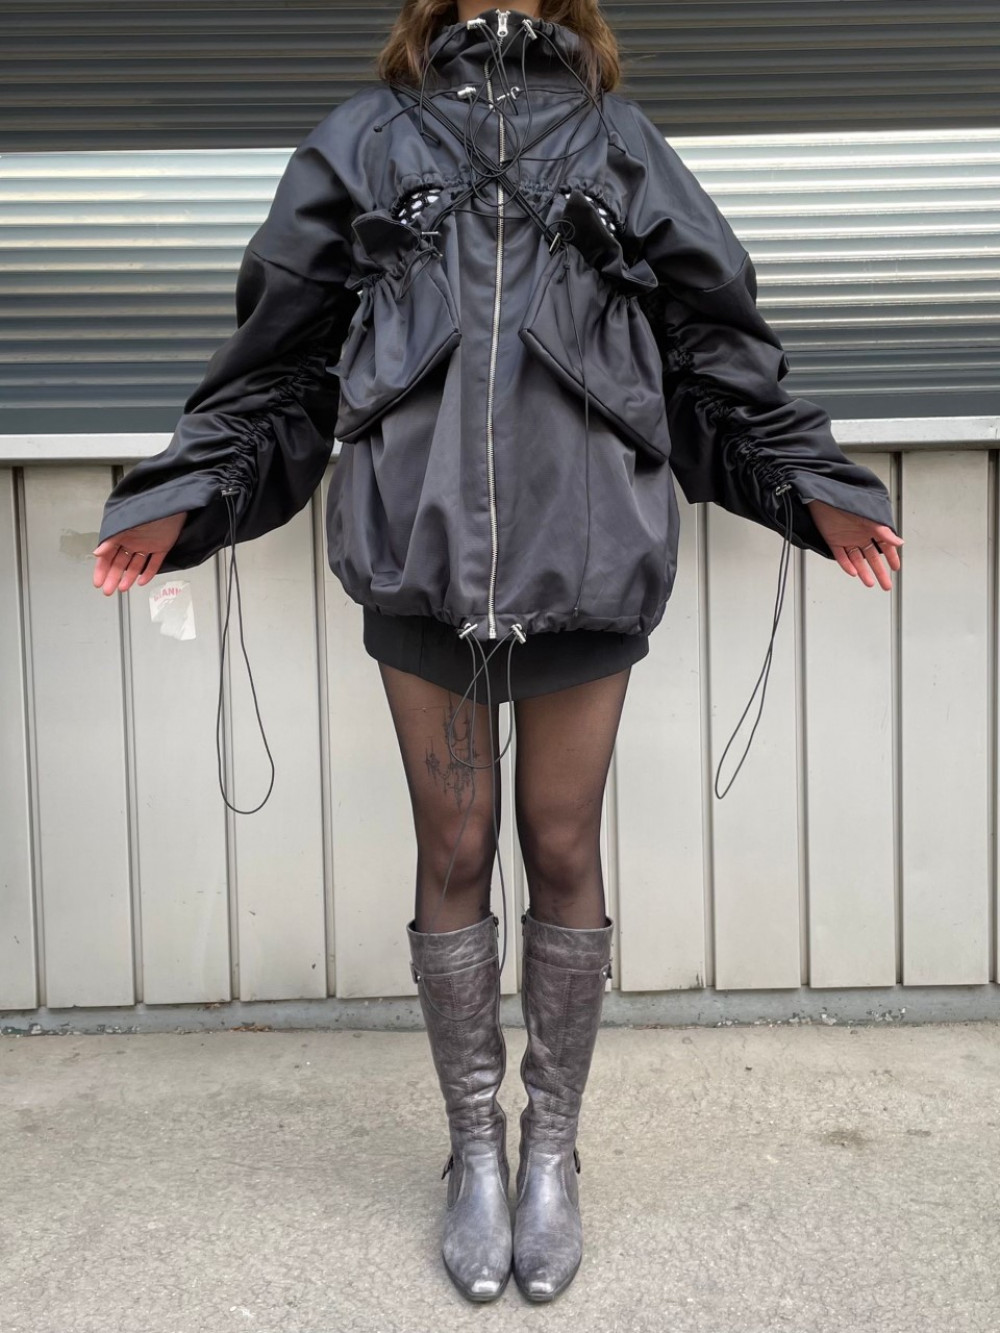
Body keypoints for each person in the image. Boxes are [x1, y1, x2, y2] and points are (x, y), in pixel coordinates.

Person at [90, 0, 904, 1305]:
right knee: (455, 848)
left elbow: (712, 352)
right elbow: (280, 364)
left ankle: (553, 1154)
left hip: (588, 565)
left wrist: (807, 485)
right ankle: (476, 1149)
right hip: (422, 565)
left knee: (564, 845)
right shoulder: (363, 142)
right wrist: (189, 497)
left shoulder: (621, 143)